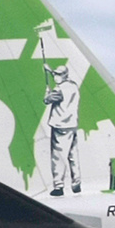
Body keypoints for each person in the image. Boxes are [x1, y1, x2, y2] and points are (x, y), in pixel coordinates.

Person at [38, 19, 82, 195]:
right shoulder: (72, 85)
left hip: (60, 126)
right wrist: (49, 70)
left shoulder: (59, 90)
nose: (55, 76)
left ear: (60, 76)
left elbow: (47, 100)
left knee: (58, 157)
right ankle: (76, 183)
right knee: (73, 156)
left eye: (56, 74)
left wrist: (47, 91)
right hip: (72, 124)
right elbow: (59, 80)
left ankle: (58, 186)